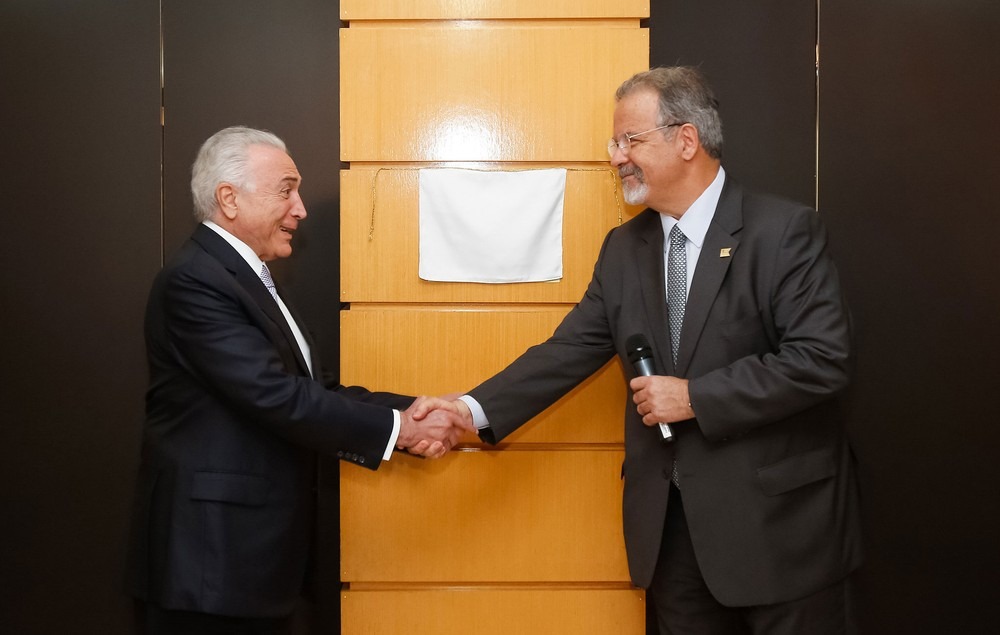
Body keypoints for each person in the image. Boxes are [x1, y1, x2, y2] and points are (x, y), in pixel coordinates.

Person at [452, 67, 863, 633]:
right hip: (673, 540)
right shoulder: (625, 249)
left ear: (686, 140)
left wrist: (696, 397)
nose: (616, 156)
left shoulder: (783, 231)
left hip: (782, 535)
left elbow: (822, 360)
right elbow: (567, 351)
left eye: (630, 140)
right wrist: (467, 411)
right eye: (613, 143)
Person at [125, 126, 472, 634]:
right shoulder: (195, 280)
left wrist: (418, 408)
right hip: (207, 564)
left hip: (245, 563)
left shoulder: (246, 278)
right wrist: (403, 428)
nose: (300, 209)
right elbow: (274, 397)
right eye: (286, 190)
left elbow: (315, 392)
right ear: (229, 199)